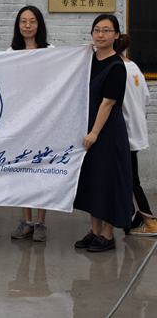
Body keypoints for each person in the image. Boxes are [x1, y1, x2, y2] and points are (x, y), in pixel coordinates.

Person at [74, 14, 133, 253]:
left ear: (116, 35)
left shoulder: (116, 66)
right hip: (89, 130)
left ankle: (107, 235)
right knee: (93, 181)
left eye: (106, 30)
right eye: (97, 30)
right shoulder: (89, 60)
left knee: (108, 182)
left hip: (107, 133)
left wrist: (94, 133)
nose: (100, 34)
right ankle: (96, 232)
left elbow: (107, 103)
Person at [6, 6, 55, 242]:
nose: (27, 25)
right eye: (23, 21)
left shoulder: (51, 51)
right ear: (18, 25)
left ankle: (41, 222)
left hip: (44, 121)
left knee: (42, 171)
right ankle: (26, 221)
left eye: (32, 21)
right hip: (20, 123)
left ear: (39, 24)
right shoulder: (10, 52)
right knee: (23, 171)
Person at [116, 34, 156, 236]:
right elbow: (146, 98)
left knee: (131, 180)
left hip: (124, 132)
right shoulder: (134, 67)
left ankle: (149, 220)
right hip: (135, 130)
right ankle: (132, 215)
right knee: (126, 178)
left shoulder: (116, 68)